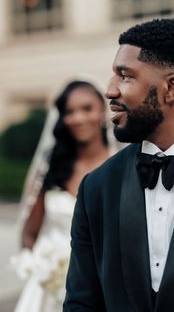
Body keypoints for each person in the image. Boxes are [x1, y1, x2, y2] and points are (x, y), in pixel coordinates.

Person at [63, 18, 174, 312]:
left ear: (171, 88)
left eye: (125, 76)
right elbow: (81, 303)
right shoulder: (97, 187)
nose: (110, 90)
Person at [13, 80, 111, 312]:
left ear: (102, 111)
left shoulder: (119, 167)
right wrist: (37, 262)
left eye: (87, 108)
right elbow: (30, 231)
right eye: (69, 111)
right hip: (49, 288)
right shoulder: (51, 168)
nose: (78, 118)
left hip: (103, 286)